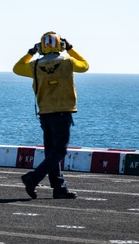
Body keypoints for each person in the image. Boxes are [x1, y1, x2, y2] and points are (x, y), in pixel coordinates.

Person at [13, 32, 89, 199]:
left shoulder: (34, 65)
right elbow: (85, 65)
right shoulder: (68, 62)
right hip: (62, 111)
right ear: (60, 46)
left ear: (42, 47)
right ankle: (33, 178)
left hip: (45, 113)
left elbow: (17, 68)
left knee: (51, 152)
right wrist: (70, 49)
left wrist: (31, 52)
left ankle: (59, 188)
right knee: (60, 150)